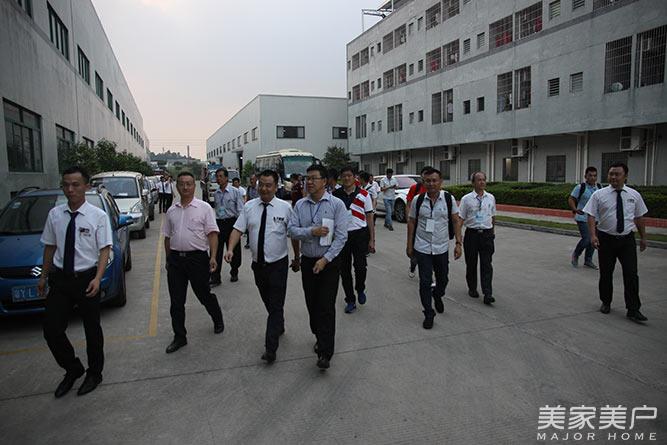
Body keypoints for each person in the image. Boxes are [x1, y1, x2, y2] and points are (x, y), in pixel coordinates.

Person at [39, 166, 112, 397]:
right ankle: (72, 368)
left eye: (75, 185)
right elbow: (50, 247)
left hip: (87, 279)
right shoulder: (55, 215)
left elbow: (104, 249)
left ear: (86, 187)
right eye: (66, 185)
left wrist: (98, 278)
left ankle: (95, 373)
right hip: (61, 279)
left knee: (92, 329)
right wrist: (43, 276)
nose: (70, 189)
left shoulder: (98, 216)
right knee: (52, 329)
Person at [224, 170, 299, 364]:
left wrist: (297, 257)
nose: (264, 189)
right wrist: (230, 249)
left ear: (276, 187)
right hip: (258, 266)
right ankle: (278, 323)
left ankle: (270, 349)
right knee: (269, 302)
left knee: (275, 305)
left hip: (278, 265)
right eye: (261, 185)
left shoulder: (285, 208)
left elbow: (294, 235)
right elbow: (237, 229)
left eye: (268, 185)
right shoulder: (249, 207)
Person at [288, 164, 348, 369]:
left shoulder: (337, 205)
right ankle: (318, 334)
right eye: (307, 178)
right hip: (308, 261)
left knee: (326, 306)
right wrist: (311, 232)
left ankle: (325, 352)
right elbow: (292, 230)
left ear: (324, 181)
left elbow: (341, 237)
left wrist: (325, 260)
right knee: (312, 304)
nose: (309, 182)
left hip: (329, 262)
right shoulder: (300, 205)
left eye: (314, 178)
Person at [162, 171, 224, 354]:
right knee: (176, 301)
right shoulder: (171, 211)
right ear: (176, 186)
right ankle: (179, 336)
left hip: (197, 259)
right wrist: (168, 258)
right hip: (175, 261)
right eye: (182, 184)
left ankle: (217, 318)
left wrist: (213, 257)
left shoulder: (204, 208)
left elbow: (212, 234)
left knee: (203, 294)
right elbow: (167, 237)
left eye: (189, 183)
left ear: (194, 186)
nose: (185, 187)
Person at [584, 162, 649, 323]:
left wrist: (643, 237)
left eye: (617, 174)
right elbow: (591, 215)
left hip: (627, 240)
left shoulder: (634, 195)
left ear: (625, 176)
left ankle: (633, 309)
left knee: (631, 274)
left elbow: (639, 217)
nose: (613, 177)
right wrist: (593, 235)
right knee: (606, 273)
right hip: (606, 239)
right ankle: (606, 302)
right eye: (611, 174)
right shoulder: (599, 195)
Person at [406, 167, 462, 329]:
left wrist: (458, 243)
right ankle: (428, 313)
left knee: (443, 279)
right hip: (422, 247)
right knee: (424, 282)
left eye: (434, 181)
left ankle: (437, 295)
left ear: (440, 182)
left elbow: (455, 221)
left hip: (441, 247)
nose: (431, 184)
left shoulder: (448, 199)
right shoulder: (418, 200)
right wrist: (409, 245)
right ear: (423, 182)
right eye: (427, 181)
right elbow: (412, 222)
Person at [333, 167, 375, 314]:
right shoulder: (335, 195)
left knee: (361, 266)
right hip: (342, 236)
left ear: (354, 177)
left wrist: (372, 240)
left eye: (349, 175)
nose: (346, 178)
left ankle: (360, 288)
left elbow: (369, 217)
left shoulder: (364, 194)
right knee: (344, 270)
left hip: (360, 235)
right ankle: (350, 299)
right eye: (344, 176)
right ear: (340, 178)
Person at [459, 172, 497, 305]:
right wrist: (458, 237)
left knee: (487, 264)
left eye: (483, 180)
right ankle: (472, 288)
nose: (482, 182)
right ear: (473, 183)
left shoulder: (490, 197)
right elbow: (461, 218)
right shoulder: (466, 199)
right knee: (471, 263)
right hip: (472, 234)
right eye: (479, 180)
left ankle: (488, 293)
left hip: (487, 234)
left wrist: (492, 232)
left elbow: (493, 216)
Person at [210, 168, 245, 285]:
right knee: (216, 249)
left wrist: (239, 227)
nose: (218, 179)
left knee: (234, 249)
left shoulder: (235, 192)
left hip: (232, 223)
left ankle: (234, 271)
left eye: (220, 176)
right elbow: (217, 209)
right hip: (220, 223)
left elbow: (240, 210)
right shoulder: (216, 193)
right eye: (217, 176)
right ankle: (215, 276)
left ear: (226, 178)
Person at [568, 167, 602, 269]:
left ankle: (588, 260)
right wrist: (575, 209)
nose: (592, 178)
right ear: (585, 176)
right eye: (590, 175)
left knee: (593, 239)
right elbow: (571, 199)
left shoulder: (599, 187)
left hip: (595, 218)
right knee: (587, 238)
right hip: (583, 217)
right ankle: (576, 254)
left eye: (595, 175)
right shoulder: (580, 187)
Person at [405, 166, 430, 278]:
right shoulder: (415, 188)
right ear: (421, 176)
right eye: (425, 174)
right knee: (415, 247)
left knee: (429, 248)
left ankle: (429, 272)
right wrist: (409, 219)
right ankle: (413, 264)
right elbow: (408, 204)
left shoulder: (434, 188)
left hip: (430, 224)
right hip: (416, 223)